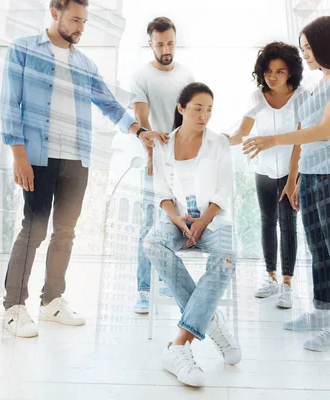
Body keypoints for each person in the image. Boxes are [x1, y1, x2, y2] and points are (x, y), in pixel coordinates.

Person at [0, 0, 166, 338]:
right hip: (38, 157)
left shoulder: (85, 64)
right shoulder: (23, 50)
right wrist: (18, 154)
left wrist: (140, 132)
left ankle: (52, 302)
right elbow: (9, 103)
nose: (80, 27)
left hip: (77, 158)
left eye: (84, 21)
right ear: (55, 13)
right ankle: (15, 308)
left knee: (65, 232)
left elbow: (108, 103)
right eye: (75, 19)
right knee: (33, 230)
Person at [243, 16, 330, 352]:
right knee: (319, 249)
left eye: (309, 48)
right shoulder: (321, 83)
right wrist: (295, 178)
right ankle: (321, 312)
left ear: (328, 44)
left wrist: (272, 140)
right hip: (311, 175)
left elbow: (325, 130)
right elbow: (305, 138)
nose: (306, 54)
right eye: (304, 48)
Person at [144, 82, 241, 387]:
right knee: (152, 243)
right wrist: (176, 219)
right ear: (181, 109)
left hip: (214, 219)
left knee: (227, 255)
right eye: (198, 108)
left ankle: (178, 345)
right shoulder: (163, 144)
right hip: (177, 220)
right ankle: (208, 318)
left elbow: (224, 190)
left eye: (209, 110)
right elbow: (161, 192)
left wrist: (202, 222)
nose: (204, 115)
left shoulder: (219, 143)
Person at [225, 41, 307, 308]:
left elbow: (300, 141)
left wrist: (293, 179)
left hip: (290, 170)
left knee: (288, 224)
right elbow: (242, 132)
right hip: (263, 170)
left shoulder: (302, 97)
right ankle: (270, 277)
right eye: (269, 71)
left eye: (280, 72)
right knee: (267, 221)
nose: (272, 77)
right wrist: (225, 139)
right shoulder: (257, 97)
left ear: (291, 73)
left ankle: (286, 284)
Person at [130, 16, 195, 313]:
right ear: (150, 44)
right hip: (154, 162)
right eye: (160, 44)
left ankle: (166, 282)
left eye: (170, 43)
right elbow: (142, 122)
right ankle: (144, 289)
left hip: (180, 164)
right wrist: (152, 152)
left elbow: (192, 117)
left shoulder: (185, 74)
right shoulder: (142, 76)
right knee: (148, 225)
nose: (166, 48)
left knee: (173, 224)